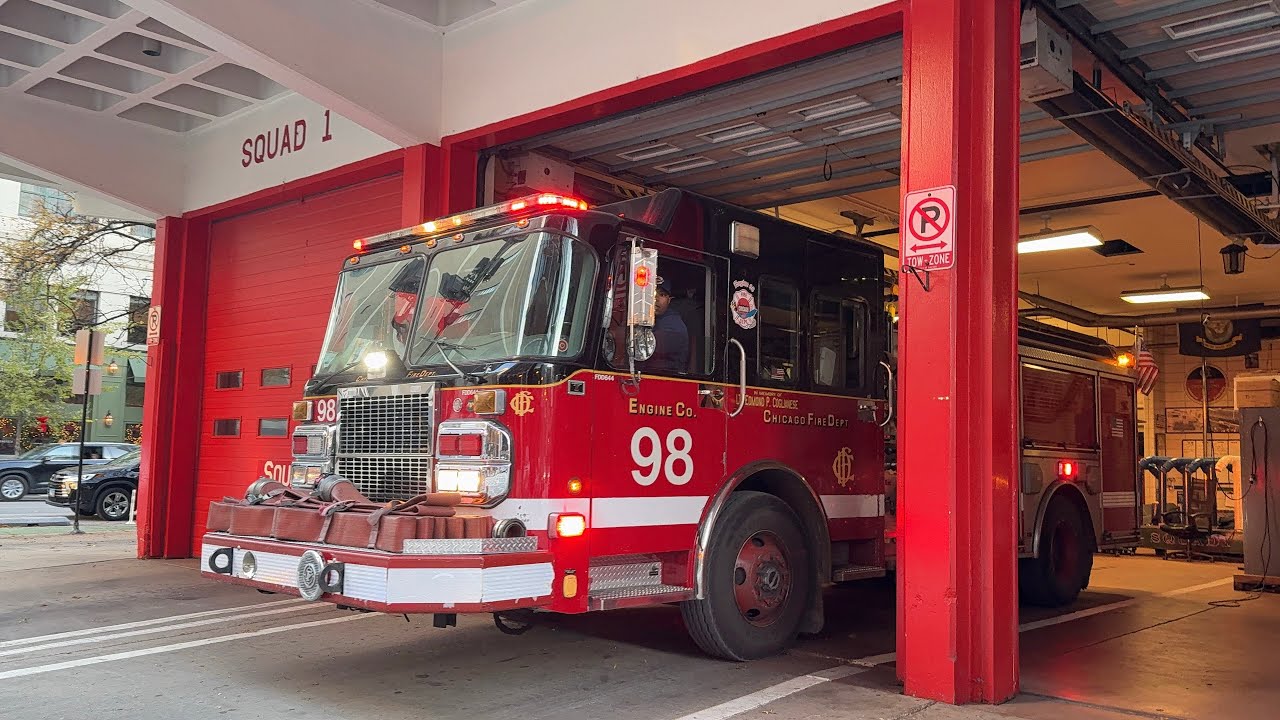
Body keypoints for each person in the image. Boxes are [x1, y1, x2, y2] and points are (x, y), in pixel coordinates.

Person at [645, 277, 690, 372]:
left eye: (662, 294)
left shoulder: (674, 325)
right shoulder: (646, 318)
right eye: (652, 292)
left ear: (669, 300)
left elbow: (646, 348)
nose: (656, 298)